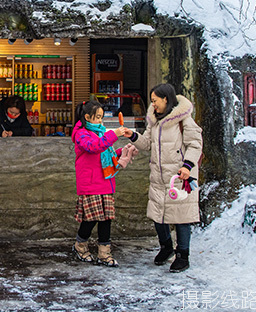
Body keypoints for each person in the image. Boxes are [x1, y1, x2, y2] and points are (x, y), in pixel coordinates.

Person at [125, 83, 202, 273]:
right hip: (159, 177)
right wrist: (133, 136)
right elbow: (146, 144)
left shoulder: (184, 120)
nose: (153, 105)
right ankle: (166, 247)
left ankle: (183, 255)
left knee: (182, 217)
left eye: (155, 101)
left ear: (165, 99)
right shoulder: (155, 121)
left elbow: (195, 145)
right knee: (158, 215)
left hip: (179, 177)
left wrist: (187, 166)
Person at [71, 99, 138, 267]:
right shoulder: (81, 134)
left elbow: (106, 155)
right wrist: (114, 134)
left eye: (101, 117)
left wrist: (123, 152)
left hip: (105, 181)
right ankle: (80, 245)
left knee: (106, 219)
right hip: (90, 183)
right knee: (90, 219)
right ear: (87, 117)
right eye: (98, 117)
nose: (101, 121)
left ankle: (104, 253)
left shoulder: (101, 133)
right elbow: (94, 147)